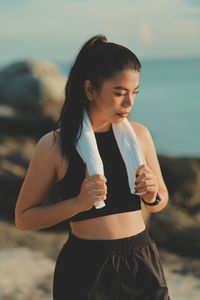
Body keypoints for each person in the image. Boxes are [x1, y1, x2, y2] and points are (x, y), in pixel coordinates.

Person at [15, 34, 170, 300]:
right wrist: (78, 203)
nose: (129, 103)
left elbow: (160, 201)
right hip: (86, 268)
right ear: (90, 90)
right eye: (119, 93)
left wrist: (151, 194)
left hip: (142, 260)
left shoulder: (140, 136)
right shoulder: (54, 145)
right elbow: (24, 218)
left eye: (134, 93)